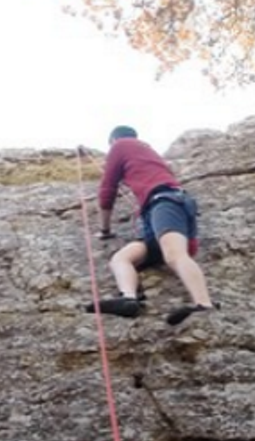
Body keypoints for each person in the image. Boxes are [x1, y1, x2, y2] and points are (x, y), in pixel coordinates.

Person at [87, 125, 214, 326]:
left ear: (112, 140)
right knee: (121, 258)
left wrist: (105, 230)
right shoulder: (148, 152)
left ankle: (204, 304)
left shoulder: (120, 146)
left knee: (174, 254)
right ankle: (129, 299)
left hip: (164, 201)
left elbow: (107, 190)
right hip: (158, 215)